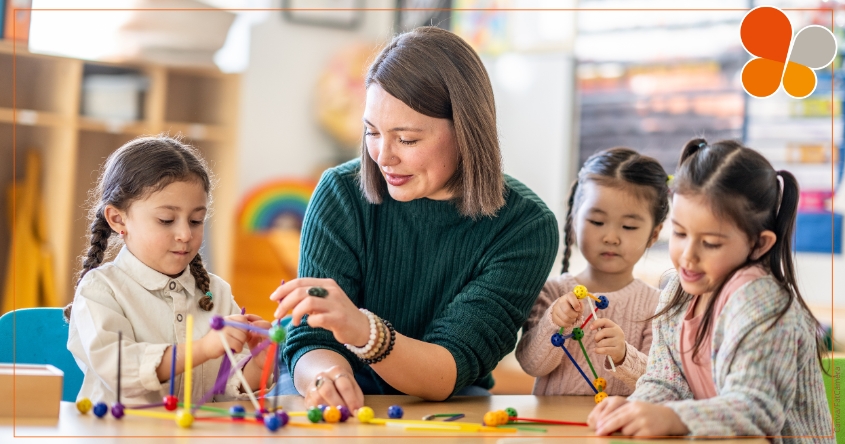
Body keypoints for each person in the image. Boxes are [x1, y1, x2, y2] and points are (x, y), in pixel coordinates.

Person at [270, 26, 559, 410]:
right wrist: (328, 378)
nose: (383, 156)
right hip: (334, 374)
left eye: (406, 139)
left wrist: (362, 330)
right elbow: (311, 340)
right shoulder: (340, 191)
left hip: (446, 390)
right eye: (372, 132)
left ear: (467, 132)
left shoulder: (525, 226)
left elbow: (449, 369)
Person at [588, 139, 833, 442]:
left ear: (759, 244)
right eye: (679, 233)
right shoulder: (678, 292)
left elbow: (758, 409)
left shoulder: (761, 301)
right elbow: (666, 381)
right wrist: (634, 409)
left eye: (711, 243)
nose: (688, 255)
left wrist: (671, 417)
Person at [66, 136, 272, 405]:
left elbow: (227, 388)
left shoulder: (217, 293)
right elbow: (120, 371)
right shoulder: (101, 290)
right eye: (166, 220)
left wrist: (259, 364)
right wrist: (202, 349)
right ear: (118, 219)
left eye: (196, 220)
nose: (185, 234)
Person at [516, 148, 668, 396]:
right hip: (555, 429)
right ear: (575, 221)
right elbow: (532, 365)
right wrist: (554, 322)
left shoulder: (656, 305)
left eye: (629, 226)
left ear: (654, 234)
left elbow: (661, 384)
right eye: (597, 222)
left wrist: (623, 355)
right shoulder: (552, 291)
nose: (611, 238)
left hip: (618, 430)